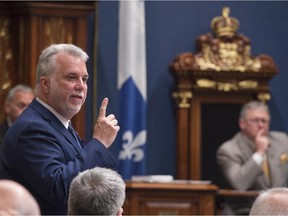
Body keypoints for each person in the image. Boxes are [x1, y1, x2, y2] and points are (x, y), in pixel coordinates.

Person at [0, 44, 120, 215]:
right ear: (46, 84)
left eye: (84, 79)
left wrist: (106, 206)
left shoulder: (59, 124)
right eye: (72, 77)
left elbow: (84, 180)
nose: (81, 86)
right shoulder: (32, 128)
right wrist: (99, 143)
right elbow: (60, 188)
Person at [217, 100, 288, 215]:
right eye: (255, 120)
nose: (261, 125)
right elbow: (240, 184)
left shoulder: (282, 141)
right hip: (244, 210)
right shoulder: (229, 150)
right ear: (242, 123)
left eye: (264, 121)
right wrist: (259, 153)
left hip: (281, 209)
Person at [0, 84, 34, 157]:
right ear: (7, 107)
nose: (27, 111)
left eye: (30, 106)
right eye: (21, 105)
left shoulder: (41, 133)